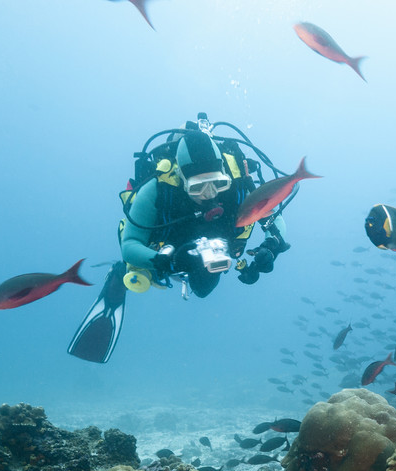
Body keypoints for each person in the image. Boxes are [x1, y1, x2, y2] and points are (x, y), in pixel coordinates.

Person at [69, 115, 293, 363]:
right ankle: (118, 278)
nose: (210, 194)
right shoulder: (158, 189)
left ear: (224, 176)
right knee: (147, 273)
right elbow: (130, 245)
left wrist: (271, 247)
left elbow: (275, 220)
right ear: (181, 178)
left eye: (217, 184)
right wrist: (167, 261)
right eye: (198, 187)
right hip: (169, 250)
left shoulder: (239, 184)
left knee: (204, 289)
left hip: (216, 250)